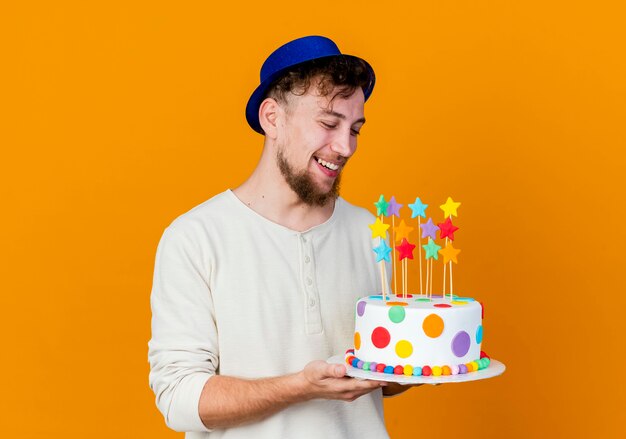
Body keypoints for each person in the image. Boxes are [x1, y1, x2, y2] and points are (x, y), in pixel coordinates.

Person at [148, 35, 413, 439]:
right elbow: (179, 399)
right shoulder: (195, 238)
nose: (344, 146)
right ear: (272, 118)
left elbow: (384, 376)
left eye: (355, 128)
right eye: (328, 123)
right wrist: (301, 386)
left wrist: (425, 362)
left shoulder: (369, 230)